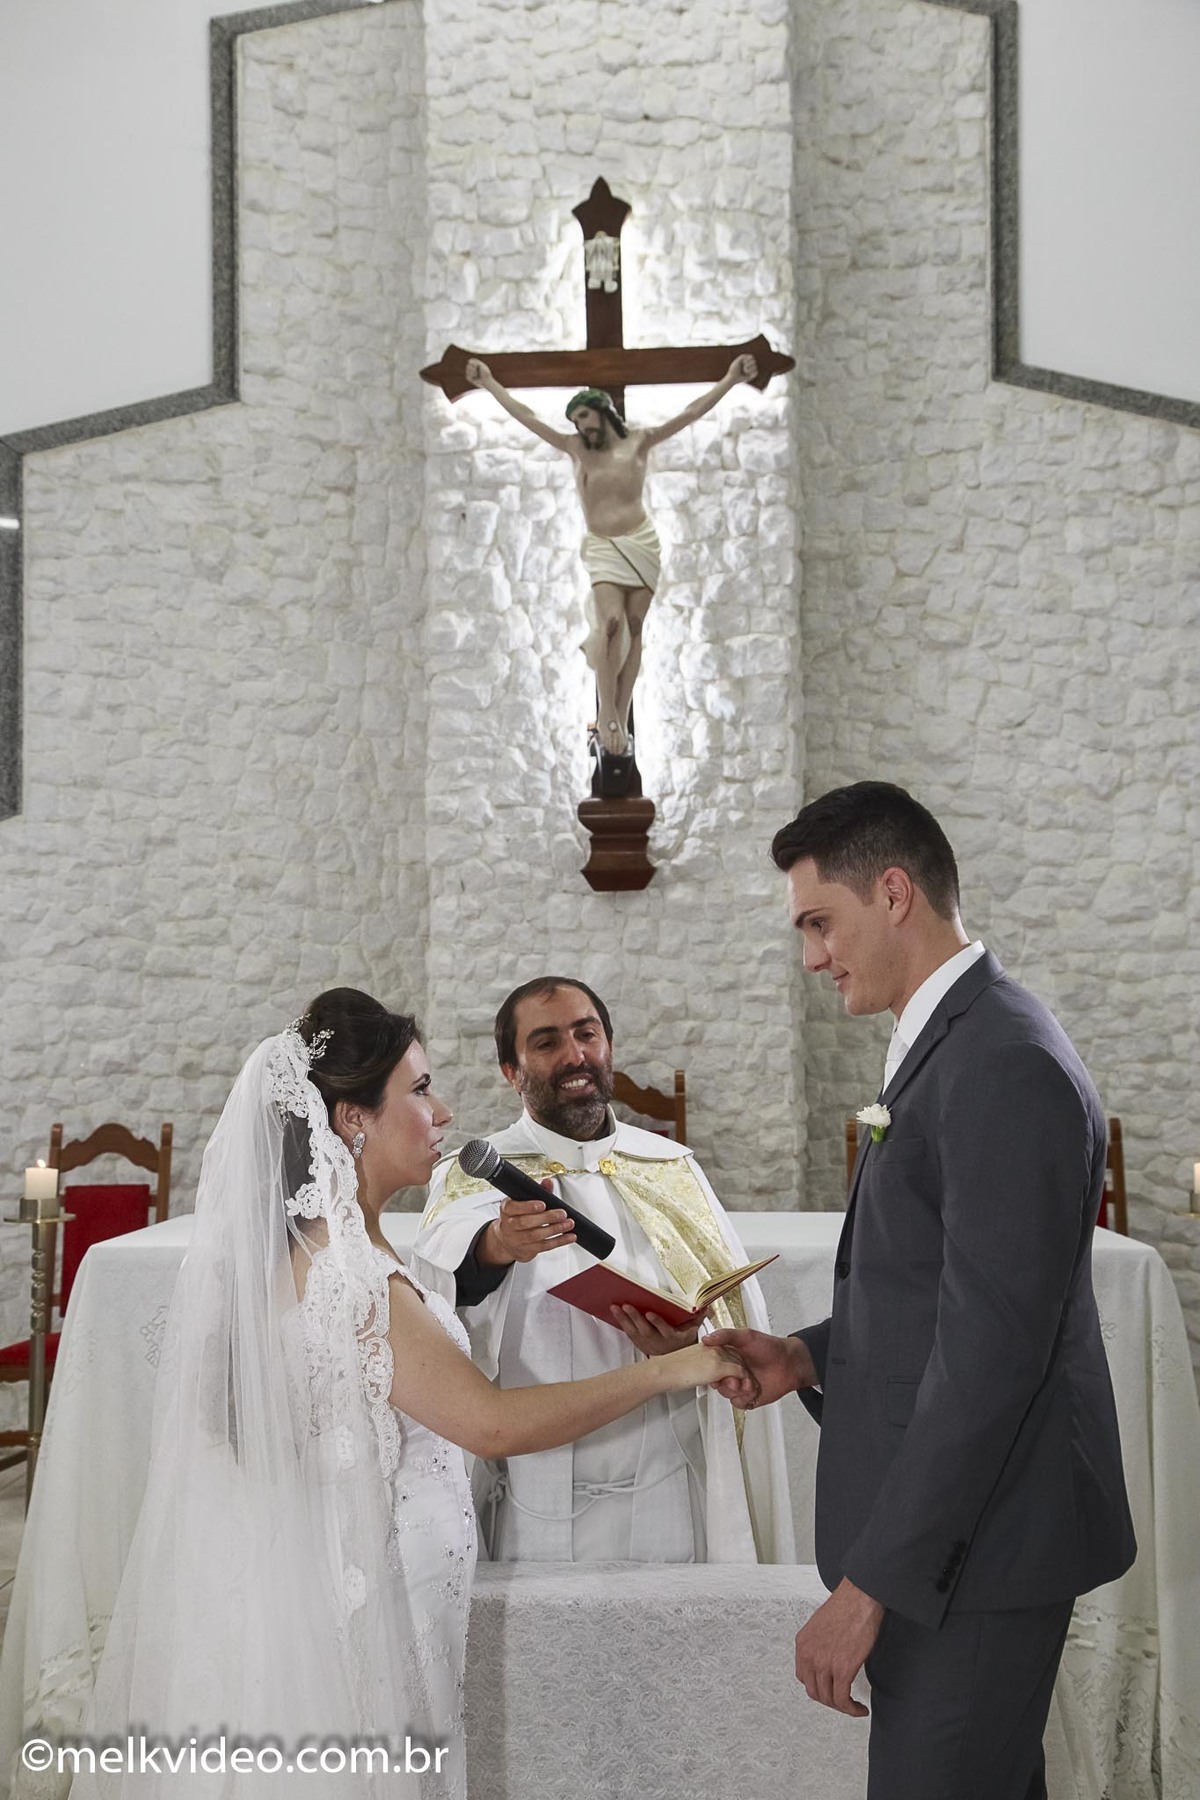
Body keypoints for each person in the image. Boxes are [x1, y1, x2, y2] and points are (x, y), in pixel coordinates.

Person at [69, 989, 742, 1798]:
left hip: (383, 1592)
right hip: (378, 1609)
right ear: (353, 1120)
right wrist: (679, 1368)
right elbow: (491, 1423)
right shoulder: (352, 1278)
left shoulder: (344, 1254)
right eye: (420, 1090)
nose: (443, 1112)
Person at [711, 783, 1136, 1800]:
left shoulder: (1002, 1061)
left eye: (820, 921)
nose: (812, 956)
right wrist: (804, 1356)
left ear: (894, 893)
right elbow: (934, 1293)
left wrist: (871, 1585)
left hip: (978, 1555)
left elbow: (992, 1357)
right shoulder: (955, 1040)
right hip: (965, 1548)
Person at [411, 977, 793, 1565]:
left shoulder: (670, 1168)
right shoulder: (476, 1174)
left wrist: (691, 1343)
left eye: (586, 1034)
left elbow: (731, 1306)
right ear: (511, 1071)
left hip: (670, 1490)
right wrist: (497, 1245)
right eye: (546, 1042)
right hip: (538, 1507)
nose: (575, 1055)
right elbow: (437, 1295)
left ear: (608, 1045)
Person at [464, 354, 757, 754]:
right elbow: (527, 416)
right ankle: (607, 712)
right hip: (603, 546)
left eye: (585, 416)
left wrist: (730, 379)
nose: (581, 426)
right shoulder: (576, 449)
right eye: (576, 421)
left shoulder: (640, 441)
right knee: (612, 624)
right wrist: (489, 383)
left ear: (603, 412)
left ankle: (622, 707)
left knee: (635, 625)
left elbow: (691, 412)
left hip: (641, 542)